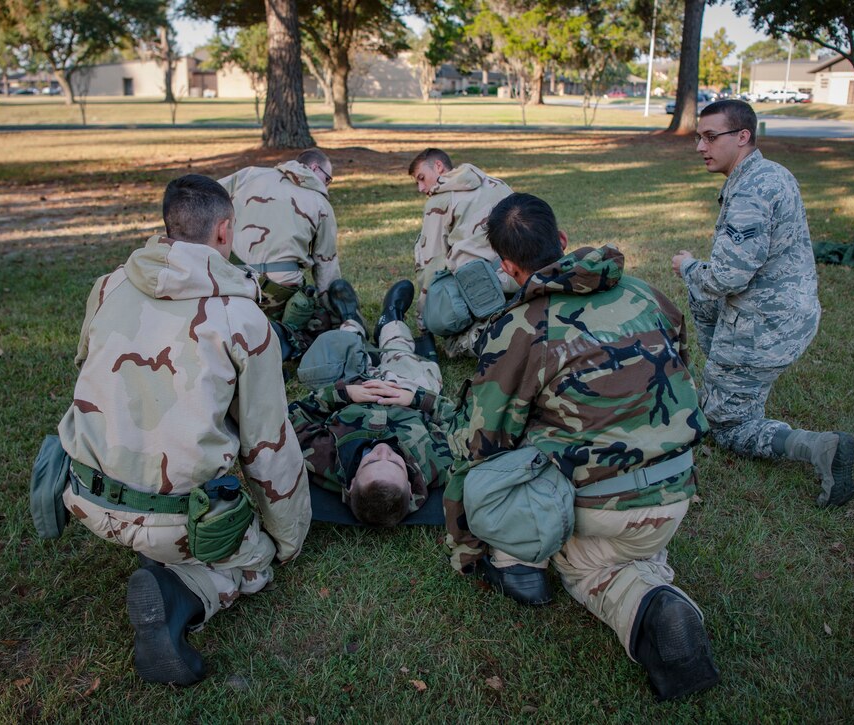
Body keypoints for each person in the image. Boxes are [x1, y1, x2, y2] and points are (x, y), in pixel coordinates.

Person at [445, 192, 719, 701]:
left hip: (598, 508)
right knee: (629, 549)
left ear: (507, 267)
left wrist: (468, 545)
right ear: (564, 241)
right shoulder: (645, 293)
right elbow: (677, 369)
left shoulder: (521, 328)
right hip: (678, 490)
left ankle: (632, 595)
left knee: (588, 567)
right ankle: (649, 575)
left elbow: (479, 441)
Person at [57, 175, 311, 686]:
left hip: (82, 495)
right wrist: (287, 538)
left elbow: (88, 368)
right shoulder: (243, 318)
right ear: (224, 231)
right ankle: (179, 593)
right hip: (178, 521)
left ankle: (149, 543)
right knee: (254, 563)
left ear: (168, 226)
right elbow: (267, 445)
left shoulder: (107, 286)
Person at [671, 99, 854, 508]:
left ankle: (819, 448)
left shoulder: (751, 190)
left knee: (725, 426)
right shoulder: (773, 174)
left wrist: (687, 267)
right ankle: (732, 386)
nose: (701, 147)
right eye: (700, 137)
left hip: (760, 329)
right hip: (791, 318)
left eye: (711, 137)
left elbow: (725, 277)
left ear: (742, 137)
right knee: (722, 392)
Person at [289, 280, 456, 526]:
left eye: (372, 461)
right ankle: (391, 318)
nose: (383, 450)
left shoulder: (326, 461)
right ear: (410, 488)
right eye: (396, 463)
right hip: (406, 390)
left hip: (354, 384)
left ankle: (350, 318)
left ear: (353, 482)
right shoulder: (436, 463)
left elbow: (293, 417)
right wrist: (417, 398)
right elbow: (463, 420)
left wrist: (345, 394)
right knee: (401, 351)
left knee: (340, 348)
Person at [219, 149, 342, 356]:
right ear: (314, 168)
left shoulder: (249, 175)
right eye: (327, 178)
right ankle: (283, 340)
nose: (326, 185)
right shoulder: (321, 204)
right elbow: (326, 265)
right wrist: (335, 316)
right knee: (317, 316)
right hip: (280, 294)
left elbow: (206, 198)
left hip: (233, 287)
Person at [408, 148, 516, 358]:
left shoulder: (438, 202)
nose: (421, 188)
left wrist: (424, 323)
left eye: (421, 178)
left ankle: (467, 341)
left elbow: (430, 264)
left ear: (438, 166)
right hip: (516, 274)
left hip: (479, 291)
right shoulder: (498, 184)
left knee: (445, 323)